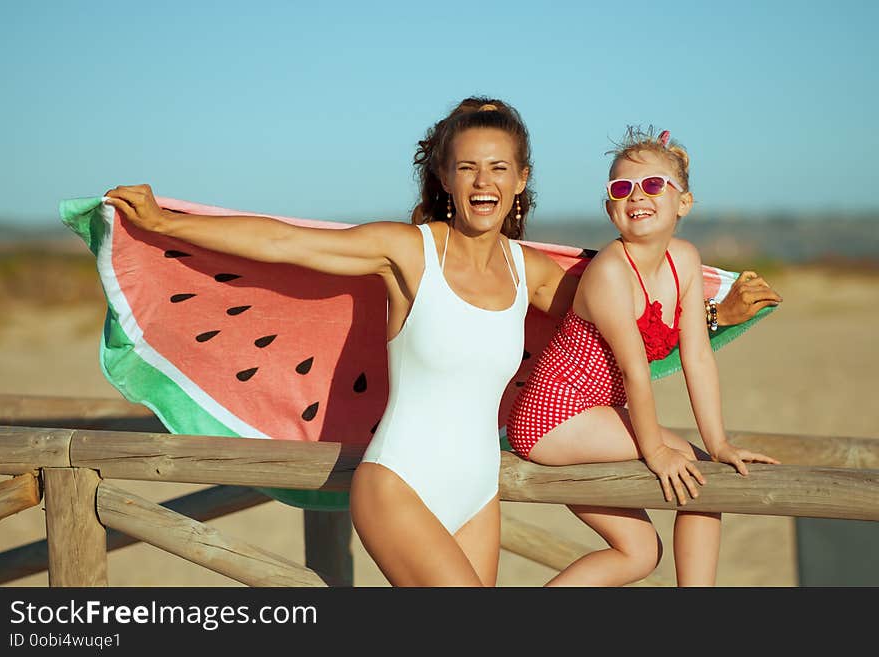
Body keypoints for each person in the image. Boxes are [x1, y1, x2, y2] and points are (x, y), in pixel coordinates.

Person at [104, 100, 780, 587]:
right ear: (446, 180)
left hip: (478, 493)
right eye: (467, 167)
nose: (483, 181)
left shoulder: (532, 272)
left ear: (519, 182)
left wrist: (718, 316)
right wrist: (165, 221)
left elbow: (627, 321)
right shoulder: (409, 251)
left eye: (498, 167)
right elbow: (288, 242)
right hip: (398, 482)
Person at [506, 126, 781, 587]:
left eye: (653, 184)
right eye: (622, 188)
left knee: (639, 553)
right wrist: (655, 450)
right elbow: (635, 372)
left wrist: (719, 443)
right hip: (551, 419)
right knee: (700, 479)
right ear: (611, 208)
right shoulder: (610, 273)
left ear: (683, 203)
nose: (638, 196)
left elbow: (697, 358)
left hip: (596, 416)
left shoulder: (685, 261)